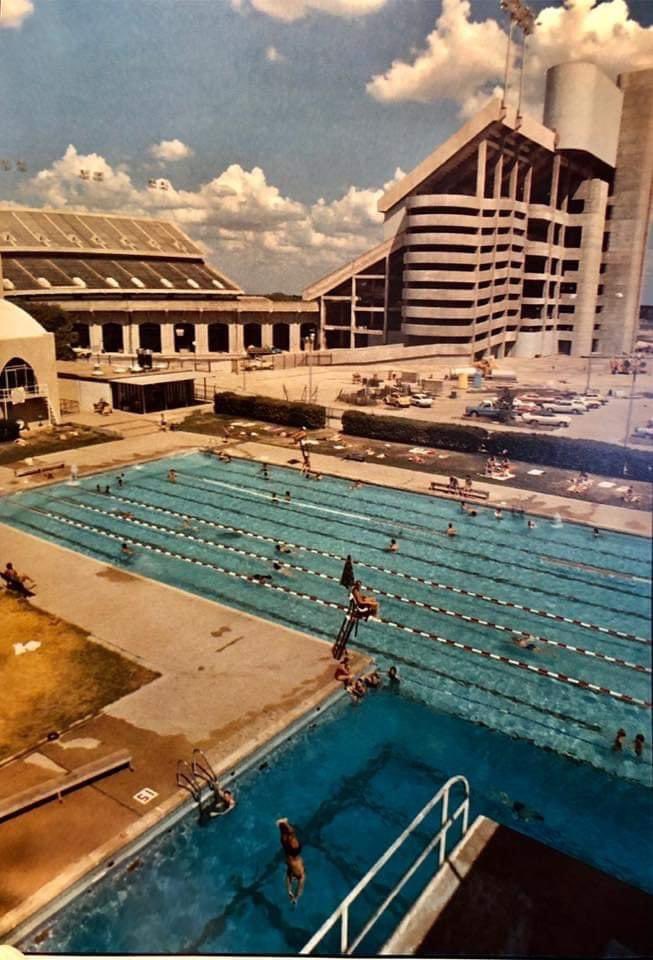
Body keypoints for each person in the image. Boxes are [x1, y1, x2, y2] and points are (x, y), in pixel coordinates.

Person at [277, 818, 305, 904]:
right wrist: (296, 897)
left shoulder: (291, 871)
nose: (293, 879)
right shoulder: (300, 874)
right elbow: (300, 888)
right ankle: (285, 823)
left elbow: (288, 880)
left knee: (285, 838)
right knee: (291, 835)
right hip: (294, 852)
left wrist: (289, 891)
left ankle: (282, 824)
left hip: (289, 853)